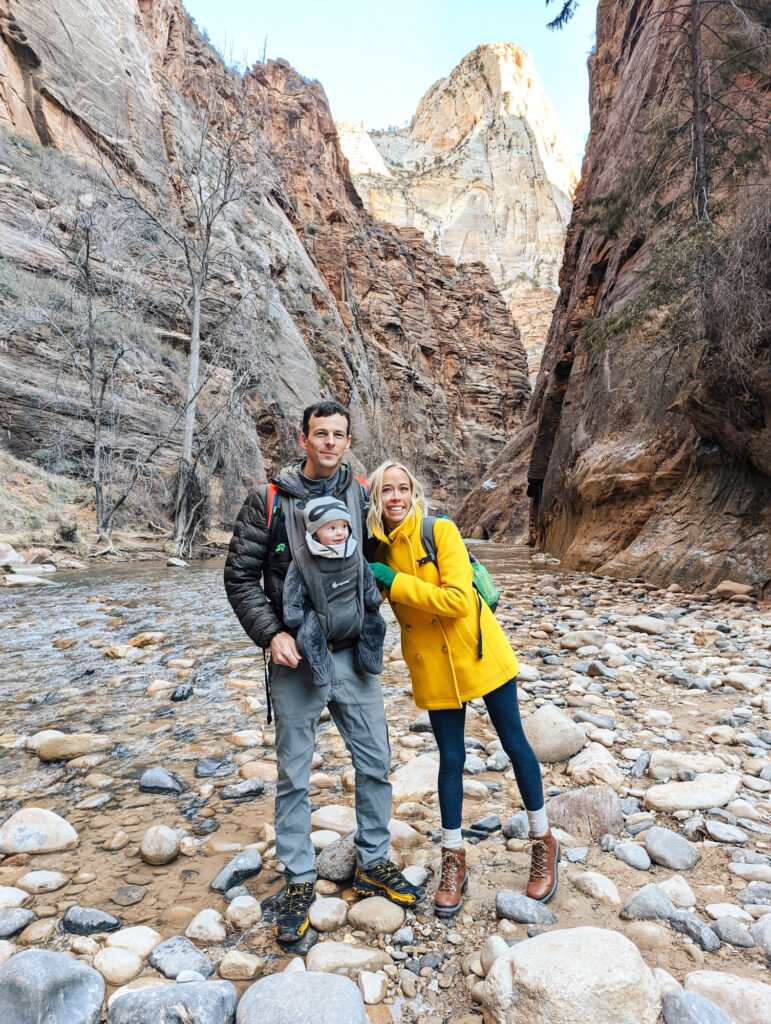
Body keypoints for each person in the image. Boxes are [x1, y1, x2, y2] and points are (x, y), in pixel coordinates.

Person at [224, 402, 422, 945]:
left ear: (348, 439)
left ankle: (374, 859)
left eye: (339, 435)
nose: (330, 443)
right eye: (321, 434)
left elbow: (402, 546)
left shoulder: (362, 494)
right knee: (293, 773)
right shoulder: (268, 500)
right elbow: (239, 576)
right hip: (296, 656)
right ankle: (297, 878)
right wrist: (272, 635)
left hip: (354, 651)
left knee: (376, 760)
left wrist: (462, 569)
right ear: (304, 437)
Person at [366, 460, 559, 917]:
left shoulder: (441, 531)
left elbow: (456, 599)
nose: (396, 497)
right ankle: (453, 857)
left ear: (414, 493)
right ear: (376, 499)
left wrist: (396, 582)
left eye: (402, 488)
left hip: (479, 652)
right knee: (451, 760)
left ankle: (543, 841)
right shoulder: (375, 551)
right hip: (432, 666)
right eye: (386, 491)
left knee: (514, 743)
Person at [282, 496, 386, 688]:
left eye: (343, 527)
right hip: (320, 619)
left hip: (353, 613)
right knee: (308, 635)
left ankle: (370, 657)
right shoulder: (303, 559)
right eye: (332, 528)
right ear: (315, 531)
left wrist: (371, 594)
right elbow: (293, 586)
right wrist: (292, 609)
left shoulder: (353, 551)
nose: (340, 533)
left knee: (377, 623)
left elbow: (365, 575)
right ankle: (321, 667)